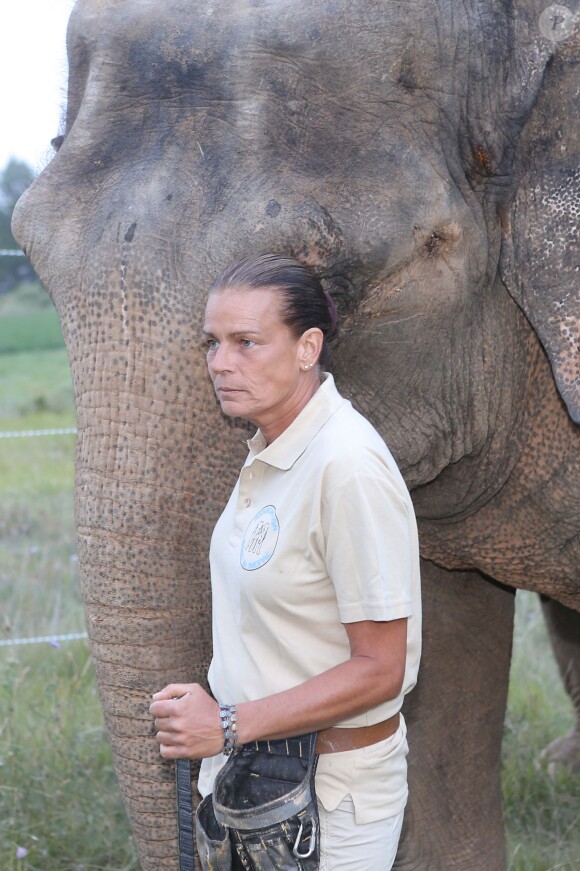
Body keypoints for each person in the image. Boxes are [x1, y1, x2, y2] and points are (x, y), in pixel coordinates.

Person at [150, 254, 421, 870]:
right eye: (213, 343)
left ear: (308, 347)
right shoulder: (275, 450)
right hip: (260, 780)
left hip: (331, 796)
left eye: (247, 342)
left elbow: (381, 669)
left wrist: (228, 722)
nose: (220, 363)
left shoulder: (346, 467)